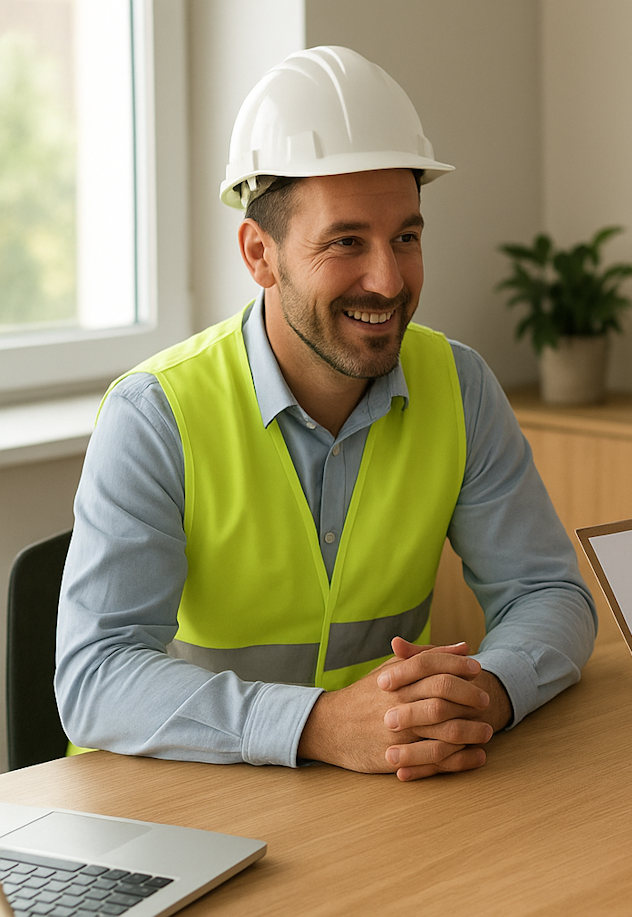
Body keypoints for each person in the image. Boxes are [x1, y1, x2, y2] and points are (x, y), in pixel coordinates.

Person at [55, 46, 597, 781]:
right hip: (182, 802)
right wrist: (314, 722)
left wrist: (488, 691)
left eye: (406, 236)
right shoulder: (156, 413)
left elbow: (548, 593)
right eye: (346, 241)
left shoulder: (459, 384)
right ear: (260, 254)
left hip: (373, 799)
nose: (388, 278)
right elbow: (94, 677)